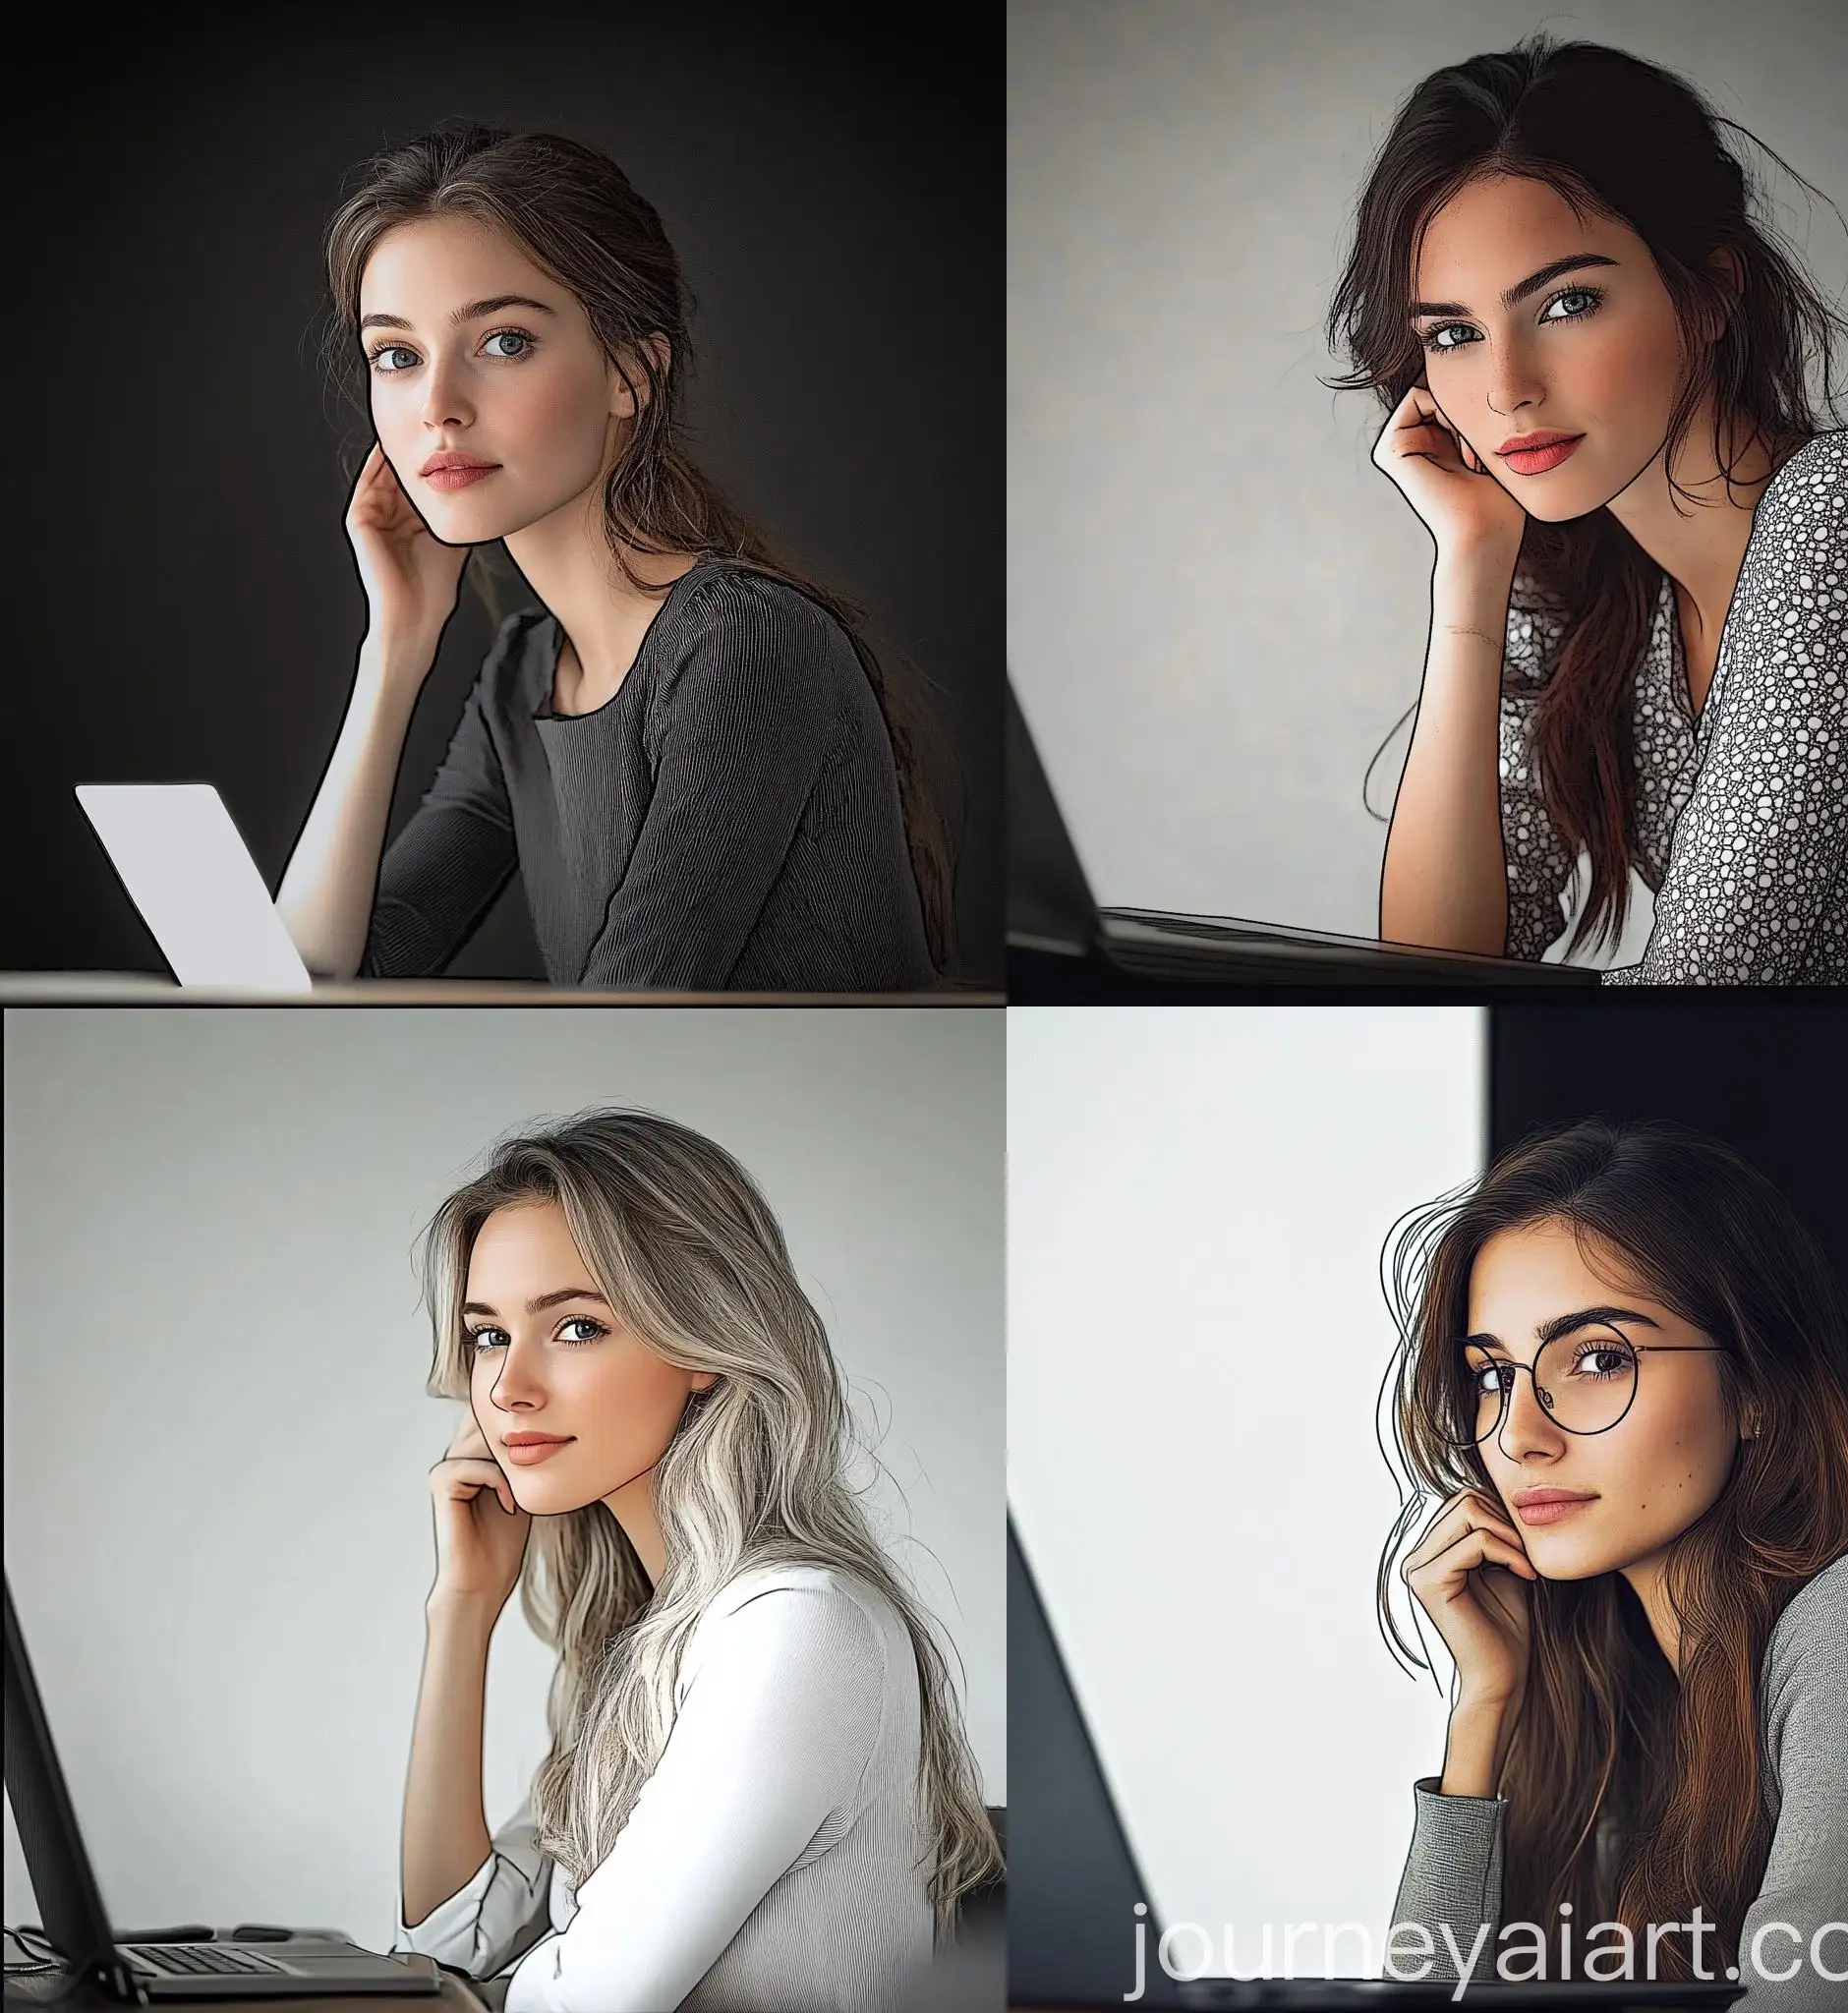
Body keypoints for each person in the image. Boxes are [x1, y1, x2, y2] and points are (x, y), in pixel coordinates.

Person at [1327, 35, 1848, 982]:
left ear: (1713, 291)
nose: (1505, 388)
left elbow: (1706, 983)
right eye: (1453, 333)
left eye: (1567, 305)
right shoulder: (1582, 588)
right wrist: (1472, 572)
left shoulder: (1844, 512)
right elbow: (1435, 974)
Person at [278, 123, 947, 993]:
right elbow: (307, 983)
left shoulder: (746, 645)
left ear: (632, 372)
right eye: (397, 356)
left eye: (504, 341)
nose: (437, 406)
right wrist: (394, 649)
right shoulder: (521, 677)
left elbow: (631, 1008)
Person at [1376, 1119, 1848, 2003]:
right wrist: (1484, 1705)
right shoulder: (1620, 1715)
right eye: (1493, 1376)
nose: (1520, 1435)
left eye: (1597, 1359)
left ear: (1753, 1389)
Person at [392, 1108, 999, 2010]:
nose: (509, 1388)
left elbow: (582, 2005)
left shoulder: (795, 1629)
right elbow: (454, 1941)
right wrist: (464, 1610)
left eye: (576, 1328)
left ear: (701, 1346)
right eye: (489, 1334)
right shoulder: (652, 1636)